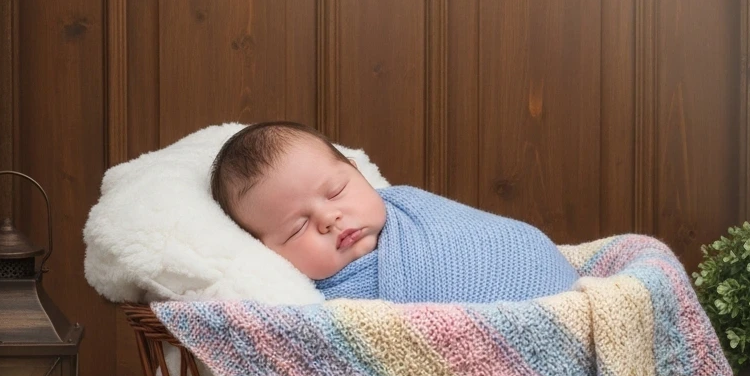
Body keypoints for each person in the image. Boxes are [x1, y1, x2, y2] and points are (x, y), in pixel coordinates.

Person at [210, 120, 579, 302]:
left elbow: (493, 240)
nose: (328, 219)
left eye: (336, 191)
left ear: (356, 171)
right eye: (296, 228)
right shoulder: (309, 302)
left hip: (554, 294)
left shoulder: (410, 209)